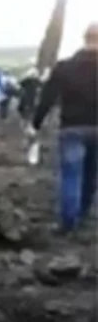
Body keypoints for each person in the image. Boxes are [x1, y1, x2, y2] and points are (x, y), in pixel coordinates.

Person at [30, 23, 98, 233]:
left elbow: (48, 97)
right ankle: (84, 214)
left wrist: (36, 123)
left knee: (71, 175)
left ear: (84, 38)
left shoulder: (64, 67)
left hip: (71, 128)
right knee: (91, 174)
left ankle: (69, 222)